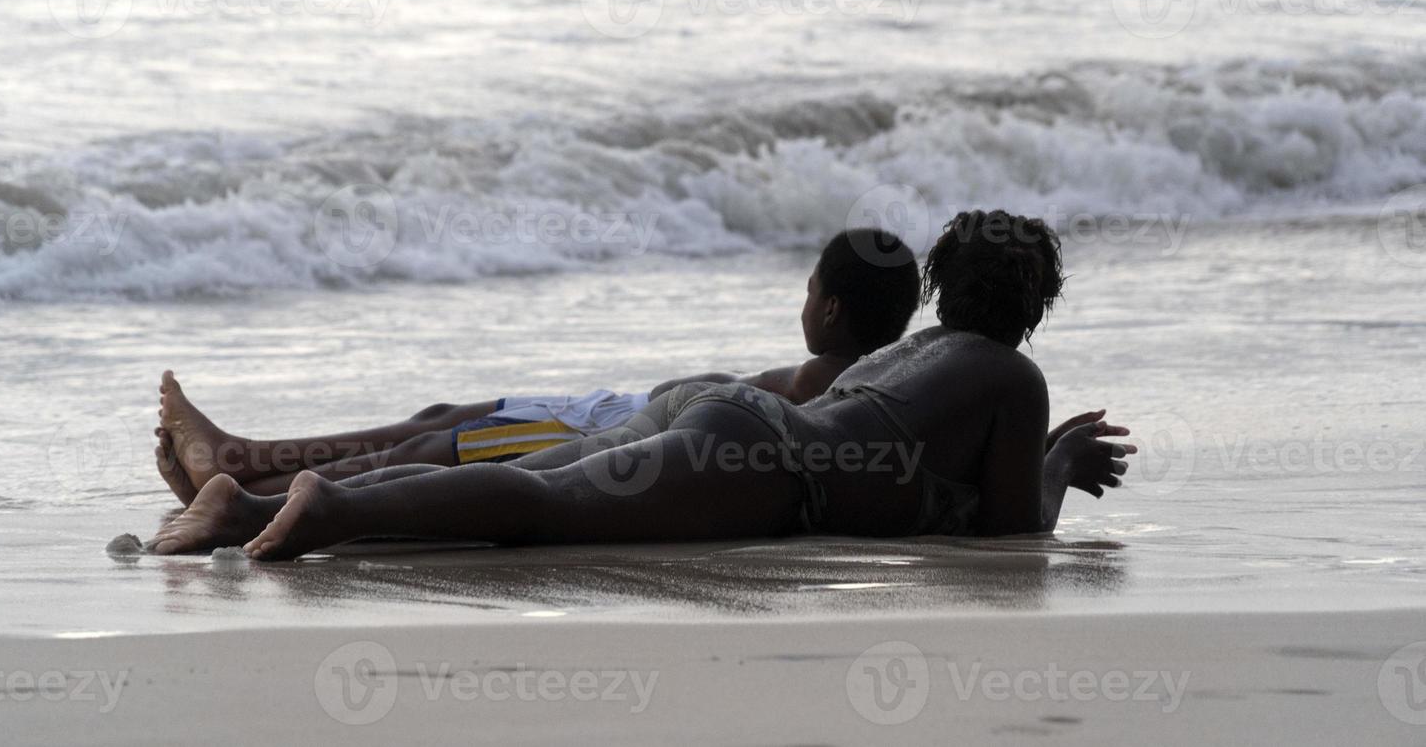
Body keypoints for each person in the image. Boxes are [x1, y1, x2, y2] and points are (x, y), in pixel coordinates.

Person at [147, 210, 1134, 558]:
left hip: (727, 419)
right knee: (539, 504)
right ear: (1033, 303)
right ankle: (322, 506)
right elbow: (1016, 528)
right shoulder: (1012, 373)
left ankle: (246, 506)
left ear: (943, 282)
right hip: (766, 463)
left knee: (542, 474)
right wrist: (1057, 462)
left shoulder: (907, 350)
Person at [154, 229, 925, 501]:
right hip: (624, 409)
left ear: (827, 310)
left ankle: (247, 480)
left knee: (430, 449)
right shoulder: (869, 374)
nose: (804, 301)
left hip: (623, 430)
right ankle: (247, 466)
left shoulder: (831, 378)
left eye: (808, 289)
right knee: (439, 424)